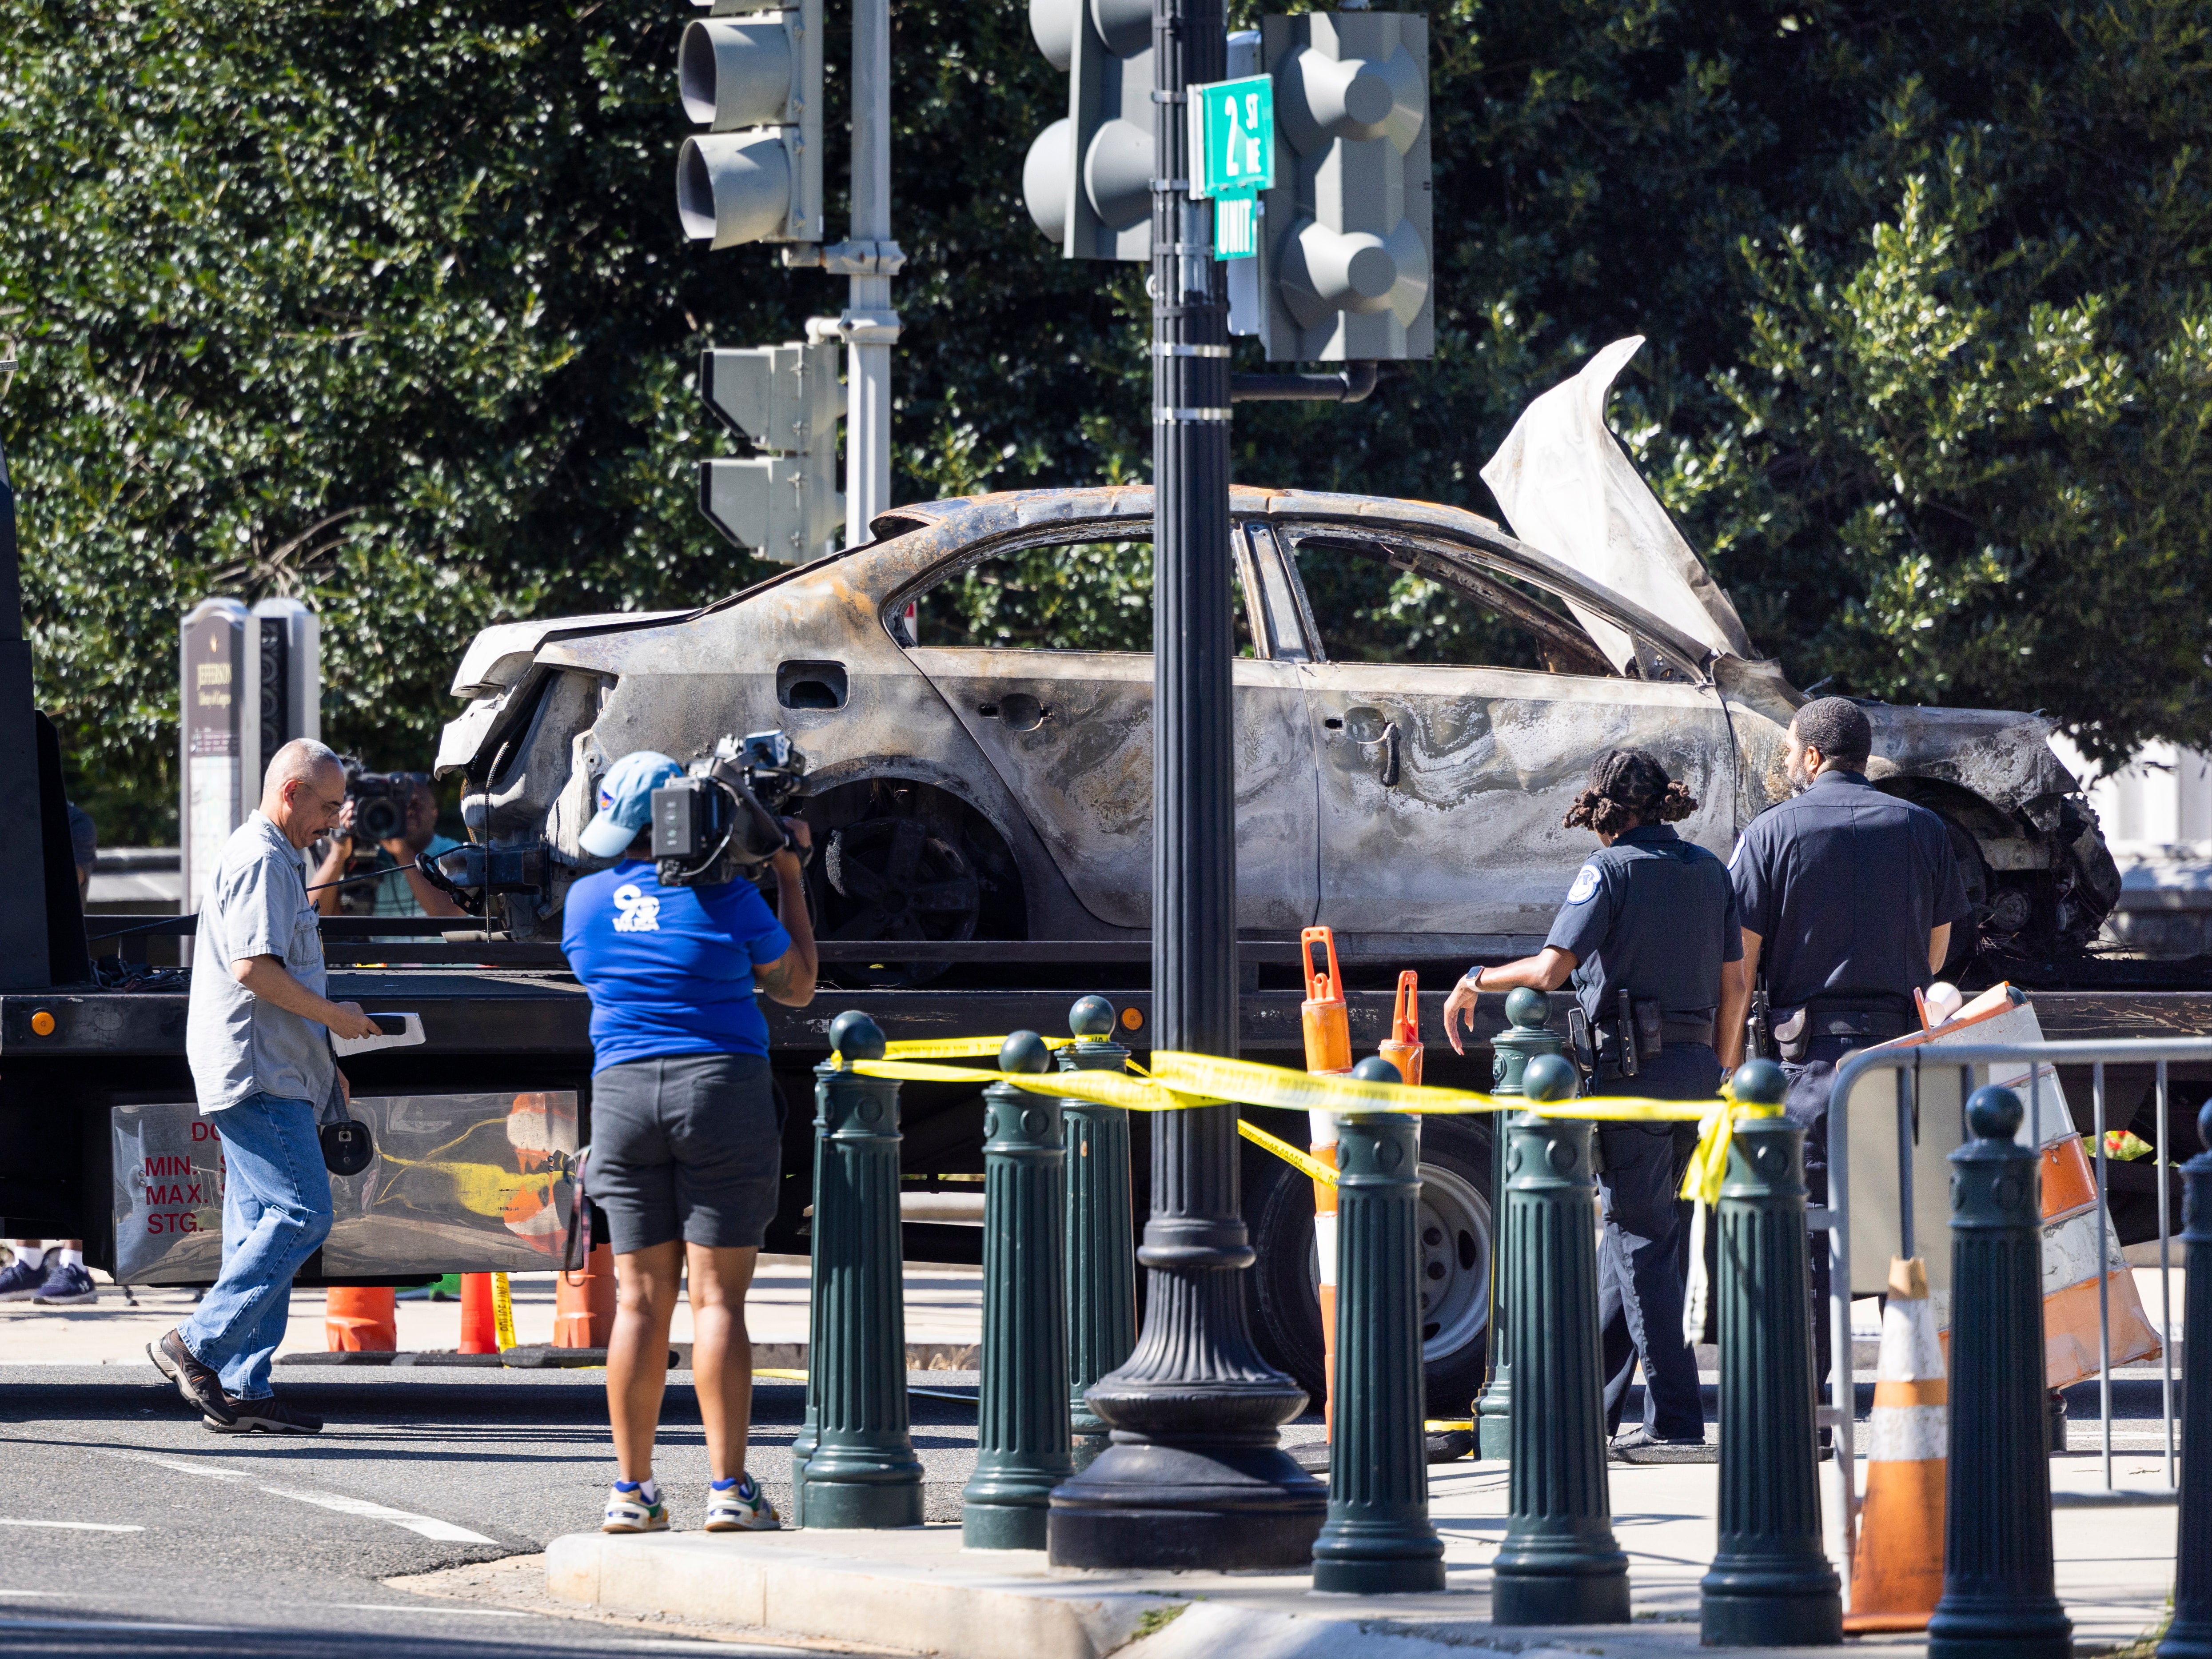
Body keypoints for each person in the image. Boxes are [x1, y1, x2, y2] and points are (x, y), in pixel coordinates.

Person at [1444, 749, 1746, 1454]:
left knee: (1640, 1243)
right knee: (1640, 1234)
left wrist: (1474, 977)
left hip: (1629, 1076)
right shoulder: (1709, 870)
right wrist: (1719, 1069)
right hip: (1698, 1072)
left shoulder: (1607, 871)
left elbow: (1549, 971)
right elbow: (1735, 989)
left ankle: (1675, 1420)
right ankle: (1586, 1411)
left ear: (1606, 812)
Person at [562, 750, 817, 1535]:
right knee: (717, 1300)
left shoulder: (582, 902)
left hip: (624, 1097)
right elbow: (798, 983)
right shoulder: (732, 899)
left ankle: (631, 1491)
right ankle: (728, 1487)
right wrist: (790, 874)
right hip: (720, 1089)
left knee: (638, 1301)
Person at [1717, 696, 1970, 1383]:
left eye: (1788, 752)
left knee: (1802, 1233)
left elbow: (1737, 971)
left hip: (1807, 1064)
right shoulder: (1922, 827)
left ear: (1809, 756)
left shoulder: (1769, 833)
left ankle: (1806, 1409)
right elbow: (1937, 953)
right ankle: (1910, 1402)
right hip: (1899, 1058)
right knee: (1905, 1232)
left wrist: (1727, 1070)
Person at [147, 738, 381, 1434]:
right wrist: (338, 1019)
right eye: (329, 806)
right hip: (257, 1073)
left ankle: (246, 1386)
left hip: (272, 1065)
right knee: (303, 1214)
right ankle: (196, 1345)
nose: (336, 822)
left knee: (259, 1224)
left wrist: (321, 1054)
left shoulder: (280, 856)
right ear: (290, 792)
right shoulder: (262, 859)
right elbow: (256, 969)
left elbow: (281, 978)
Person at [2, 806, 102, 1306]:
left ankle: (76, 1265)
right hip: (15, 979)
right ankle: (27, 1259)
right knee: (20, 1124)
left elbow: (73, 875)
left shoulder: (70, 822)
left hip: (60, 980)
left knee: (70, 1128)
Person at [311, 772, 464, 922]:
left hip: (437, 949)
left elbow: (451, 916)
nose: (408, 812)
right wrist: (338, 853)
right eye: (401, 806)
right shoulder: (367, 853)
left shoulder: (454, 854)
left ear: (435, 813)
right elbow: (315, 917)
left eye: (417, 805)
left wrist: (403, 854)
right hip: (381, 949)